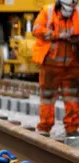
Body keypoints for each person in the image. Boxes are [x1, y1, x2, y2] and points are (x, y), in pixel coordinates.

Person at [32, 0, 79, 137]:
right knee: (47, 97)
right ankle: (44, 128)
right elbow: (37, 30)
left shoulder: (77, 12)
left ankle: (72, 129)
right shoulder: (48, 11)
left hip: (72, 65)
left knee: (72, 97)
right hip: (51, 64)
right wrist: (56, 35)